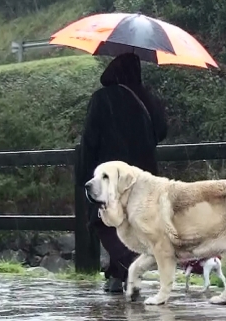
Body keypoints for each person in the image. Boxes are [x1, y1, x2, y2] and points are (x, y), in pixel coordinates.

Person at [76, 52, 168, 293]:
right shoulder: (147, 98)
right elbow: (162, 131)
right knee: (131, 222)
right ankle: (118, 276)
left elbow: (90, 140)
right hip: (142, 175)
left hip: (111, 174)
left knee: (102, 220)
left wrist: (84, 174)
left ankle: (128, 264)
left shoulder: (101, 99)